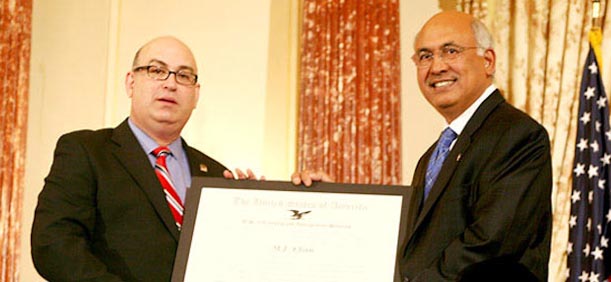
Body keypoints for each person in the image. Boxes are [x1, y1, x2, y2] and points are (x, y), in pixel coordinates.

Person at [292, 11, 552, 281]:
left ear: (487, 61)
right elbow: (412, 246)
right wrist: (336, 205)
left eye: (451, 51)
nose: (437, 67)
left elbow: (490, 244)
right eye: (425, 56)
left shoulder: (517, 135)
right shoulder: (433, 155)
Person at [31, 36, 256, 281]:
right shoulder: (86, 151)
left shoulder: (214, 175)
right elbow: (53, 243)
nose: (170, 84)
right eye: (156, 70)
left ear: (196, 94)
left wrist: (254, 212)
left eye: (183, 76)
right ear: (131, 83)